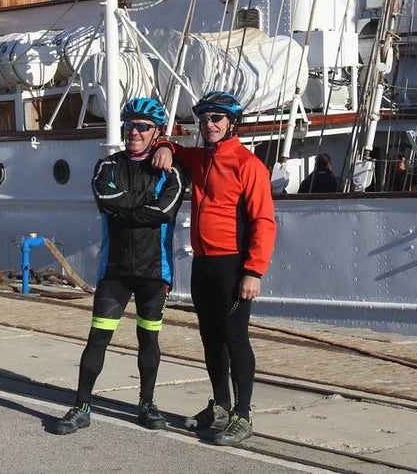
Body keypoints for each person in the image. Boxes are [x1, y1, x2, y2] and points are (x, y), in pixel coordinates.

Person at [54, 97, 185, 435]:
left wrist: (126, 210)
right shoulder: (107, 166)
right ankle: (81, 406)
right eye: (129, 126)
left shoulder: (170, 172)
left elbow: (164, 211)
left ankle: (146, 403)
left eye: (142, 127)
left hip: (154, 272)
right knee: (97, 339)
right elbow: (106, 198)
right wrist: (141, 208)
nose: (134, 132)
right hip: (114, 273)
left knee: (149, 341)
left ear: (156, 132)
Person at [152, 90, 277, 447]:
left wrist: (253, 271)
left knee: (234, 338)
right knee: (209, 337)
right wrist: (165, 146)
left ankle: (243, 414)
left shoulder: (248, 165)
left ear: (232, 123)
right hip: (203, 263)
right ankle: (220, 406)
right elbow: (175, 149)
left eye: (216, 119)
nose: (209, 125)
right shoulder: (203, 159)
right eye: (205, 119)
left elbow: (264, 222)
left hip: (233, 265)